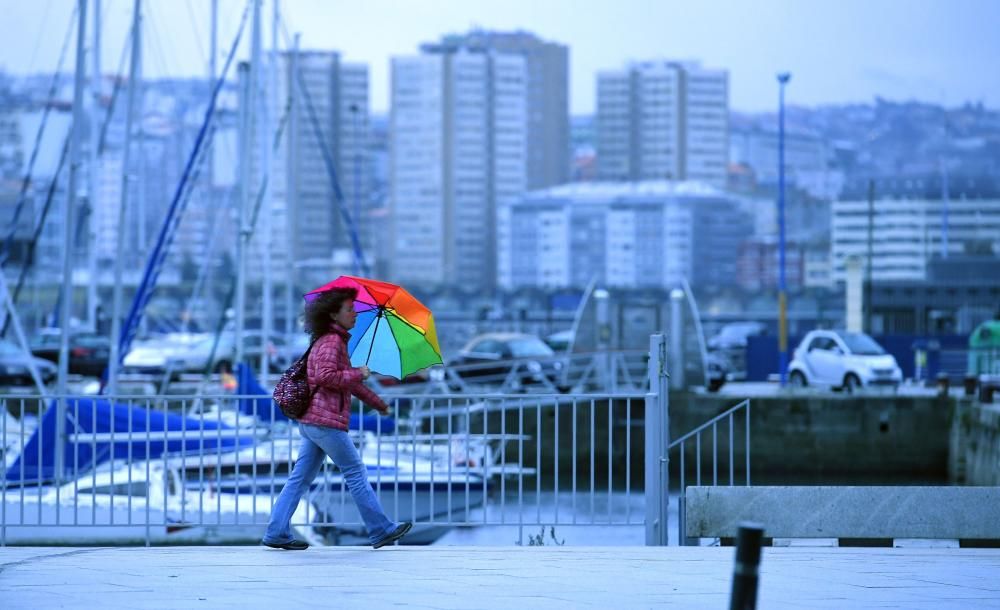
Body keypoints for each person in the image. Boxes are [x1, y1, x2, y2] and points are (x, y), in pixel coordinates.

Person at [262, 287, 412, 550]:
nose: (354, 314)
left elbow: (345, 383)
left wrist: (377, 403)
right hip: (325, 422)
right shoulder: (332, 341)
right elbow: (326, 377)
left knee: (299, 480)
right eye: (349, 309)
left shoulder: (331, 340)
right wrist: (358, 374)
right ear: (333, 314)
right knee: (355, 472)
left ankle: (276, 531)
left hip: (313, 422)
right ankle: (380, 529)